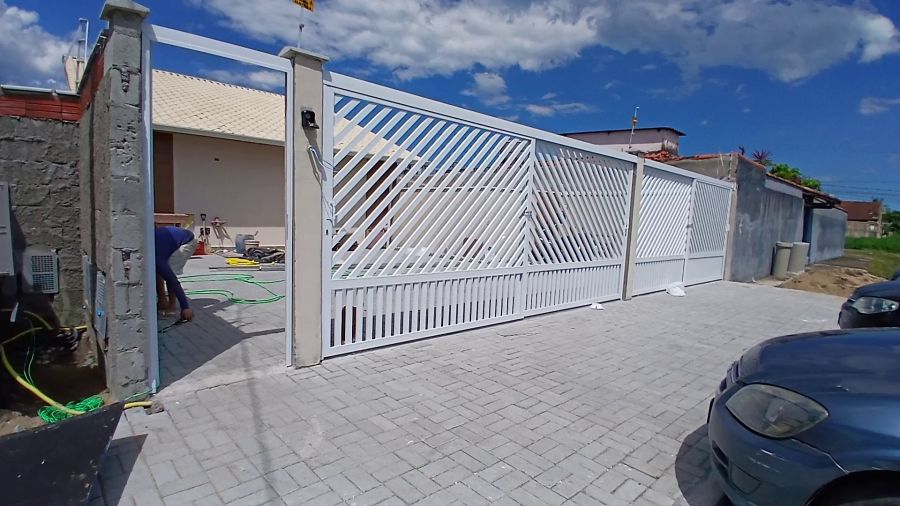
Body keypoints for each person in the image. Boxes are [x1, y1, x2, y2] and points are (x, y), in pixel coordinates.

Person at [155, 226, 198, 322]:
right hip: (172, 238)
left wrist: (185, 307)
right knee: (158, 271)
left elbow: (173, 281)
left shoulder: (157, 258)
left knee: (170, 270)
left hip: (186, 241)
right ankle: (162, 301)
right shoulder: (152, 253)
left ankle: (172, 306)